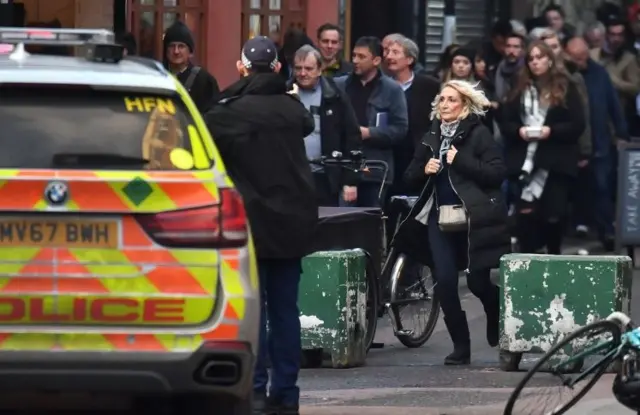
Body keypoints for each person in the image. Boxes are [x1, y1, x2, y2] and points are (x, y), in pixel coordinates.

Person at [204, 36, 318, 415]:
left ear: (241, 67)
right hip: (291, 224)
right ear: (277, 68)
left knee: (253, 309)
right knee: (285, 310)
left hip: (248, 224)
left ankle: (254, 387)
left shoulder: (228, 111)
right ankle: (286, 392)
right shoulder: (292, 108)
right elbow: (303, 123)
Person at [398, 80, 509, 365]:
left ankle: (494, 307)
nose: (445, 105)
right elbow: (409, 176)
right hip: (440, 218)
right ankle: (461, 347)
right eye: (442, 100)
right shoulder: (431, 136)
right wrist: (425, 169)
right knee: (445, 282)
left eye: (451, 100)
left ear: (465, 105)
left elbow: (497, 174)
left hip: (474, 218)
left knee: (477, 282)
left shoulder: (479, 135)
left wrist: (460, 161)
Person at [500, 41, 586, 254]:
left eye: (540, 57)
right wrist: (519, 130)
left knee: (553, 215)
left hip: (555, 161)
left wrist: (551, 131)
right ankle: (530, 257)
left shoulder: (566, 86)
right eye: (531, 59)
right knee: (527, 216)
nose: (536, 62)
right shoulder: (519, 88)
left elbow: (577, 124)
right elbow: (506, 121)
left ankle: (554, 254)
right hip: (526, 160)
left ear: (549, 60)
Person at [566, 37, 628, 251]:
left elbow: (613, 104)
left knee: (602, 188)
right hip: (573, 143)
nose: (581, 62)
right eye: (576, 58)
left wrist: (622, 133)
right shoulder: (566, 75)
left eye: (583, 57)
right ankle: (575, 227)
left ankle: (607, 232)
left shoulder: (599, 73)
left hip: (599, 142)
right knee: (574, 189)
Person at [335, 36, 408, 207]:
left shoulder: (392, 90)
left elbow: (400, 129)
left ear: (376, 60)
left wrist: (369, 133)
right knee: (340, 223)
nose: (355, 61)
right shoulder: (339, 85)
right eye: (353, 56)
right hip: (343, 168)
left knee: (370, 225)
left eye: (361, 57)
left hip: (374, 170)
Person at [290, 44, 361, 206]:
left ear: (320, 69)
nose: (302, 73)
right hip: (293, 177)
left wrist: (351, 180)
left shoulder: (335, 96)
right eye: (298, 68)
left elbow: (351, 137)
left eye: (308, 68)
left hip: (325, 177)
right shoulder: (285, 93)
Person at [163, 21, 220, 113]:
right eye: (172, 46)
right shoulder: (158, 77)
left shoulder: (204, 80)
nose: (176, 51)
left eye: (181, 46)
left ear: (190, 52)